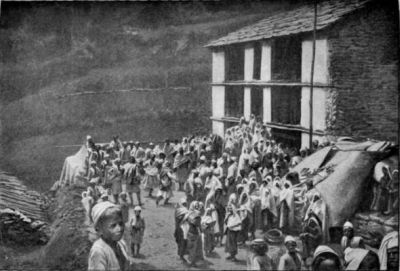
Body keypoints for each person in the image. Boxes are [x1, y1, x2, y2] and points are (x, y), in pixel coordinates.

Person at [88, 201, 133, 271]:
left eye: (121, 224)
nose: (120, 228)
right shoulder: (99, 251)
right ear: (99, 229)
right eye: (113, 225)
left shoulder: (121, 244)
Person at [175, 198, 189, 263]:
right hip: (180, 229)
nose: (184, 205)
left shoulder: (185, 210)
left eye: (185, 204)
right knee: (181, 242)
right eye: (183, 204)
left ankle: (182, 255)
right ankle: (181, 256)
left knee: (184, 242)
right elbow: (178, 220)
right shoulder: (179, 211)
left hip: (185, 228)